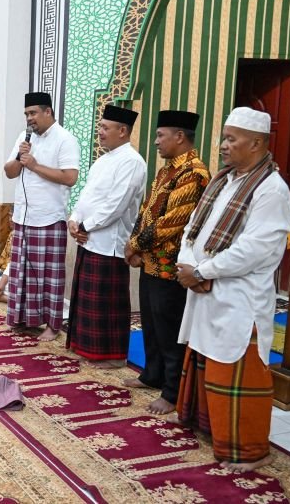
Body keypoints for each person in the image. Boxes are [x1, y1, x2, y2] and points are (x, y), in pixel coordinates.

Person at [173, 107, 290, 472]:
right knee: (209, 359)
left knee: (237, 366)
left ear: (256, 143)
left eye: (231, 139)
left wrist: (201, 270)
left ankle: (251, 450)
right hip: (205, 289)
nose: (223, 145)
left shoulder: (272, 190)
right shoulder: (223, 180)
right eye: (223, 138)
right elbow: (192, 229)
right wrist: (187, 263)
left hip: (239, 297)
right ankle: (211, 429)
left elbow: (254, 250)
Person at [122, 110, 210, 414]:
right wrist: (135, 245)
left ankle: (173, 393)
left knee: (170, 330)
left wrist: (134, 245)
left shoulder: (194, 173)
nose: (156, 141)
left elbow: (172, 223)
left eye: (161, 135)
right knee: (151, 324)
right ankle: (152, 375)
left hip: (171, 267)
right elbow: (146, 210)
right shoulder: (166, 171)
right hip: (150, 261)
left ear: (180, 136)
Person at [65, 104, 147, 367]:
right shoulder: (102, 160)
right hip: (89, 239)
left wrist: (85, 226)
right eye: (100, 126)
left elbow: (116, 205)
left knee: (107, 305)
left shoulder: (132, 162)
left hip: (109, 244)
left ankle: (112, 356)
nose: (99, 132)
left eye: (104, 127)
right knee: (88, 302)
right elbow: (86, 195)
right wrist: (74, 219)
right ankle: (87, 348)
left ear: (122, 131)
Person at [4, 91, 80, 341]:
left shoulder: (65, 139)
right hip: (24, 217)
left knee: (49, 277)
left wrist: (35, 165)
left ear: (48, 112)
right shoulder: (24, 137)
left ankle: (53, 325)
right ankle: (23, 319)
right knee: (22, 273)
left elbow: (70, 177)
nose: (29, 118)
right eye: (27, 114)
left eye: (33, 113)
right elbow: (9, 172)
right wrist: (20, 157)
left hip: (49, 218)